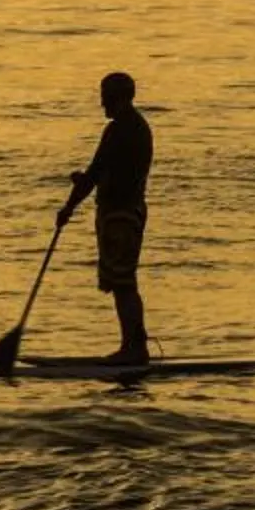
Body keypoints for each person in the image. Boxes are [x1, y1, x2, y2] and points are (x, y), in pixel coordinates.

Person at [59, 71, 154, 364]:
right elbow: (105, 173)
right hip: (129, 211)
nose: (102, 103)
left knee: (123, 282)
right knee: (123, 281)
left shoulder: (121, 130)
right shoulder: (137, 127)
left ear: (119, 97)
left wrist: (68, 208)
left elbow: (97, 172)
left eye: (106, 96)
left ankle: (134, 348)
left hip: (121, 216)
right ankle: (134, 345)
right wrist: (88, 182)